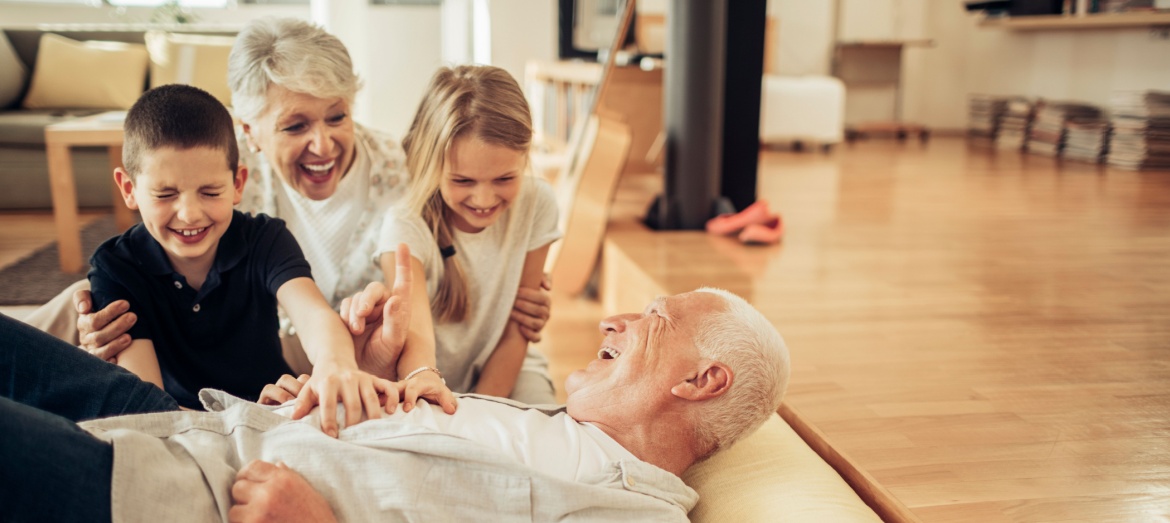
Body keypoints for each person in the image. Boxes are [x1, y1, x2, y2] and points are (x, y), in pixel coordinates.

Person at [23, 17, 553, 376]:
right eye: (295, 125)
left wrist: (519, 294)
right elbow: (161, 264)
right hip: (236, 339)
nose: (322, 144)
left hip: (335, 354)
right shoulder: (223, 177)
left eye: (337, 116)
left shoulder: (405, 172)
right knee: (84, 301)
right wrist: (102, 321)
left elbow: (468, 242)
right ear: (249, 131)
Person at [0, 287, 790, 522]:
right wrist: (348, 391)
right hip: (211, 423)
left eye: (653, 320)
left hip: (190, 494)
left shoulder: (632, 516)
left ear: (701, 381)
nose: (614, 316)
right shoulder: (556, 422)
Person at [83, 83, 440, 430]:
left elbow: (314, 315)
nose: (189, 214)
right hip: (189, 423)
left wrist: (335, 365)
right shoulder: (116, 267)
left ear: (238, 184)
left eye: (210, 192)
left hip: (277, 407)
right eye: (165, 195)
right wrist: (243, 417)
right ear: (129, 189)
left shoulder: (265, 238)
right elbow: (149, 412)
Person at [352, 65, 560, 405]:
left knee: (541, 437)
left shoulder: (539, 203)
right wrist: (442, 395)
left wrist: (481, 412)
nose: (484, 200)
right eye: (462, 181)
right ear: (433, 164)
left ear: (525, 159)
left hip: (512, 369)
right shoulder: (404, 223)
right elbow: (415, 335)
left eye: (505, 179)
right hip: (422, 376)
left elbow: (517, 329)